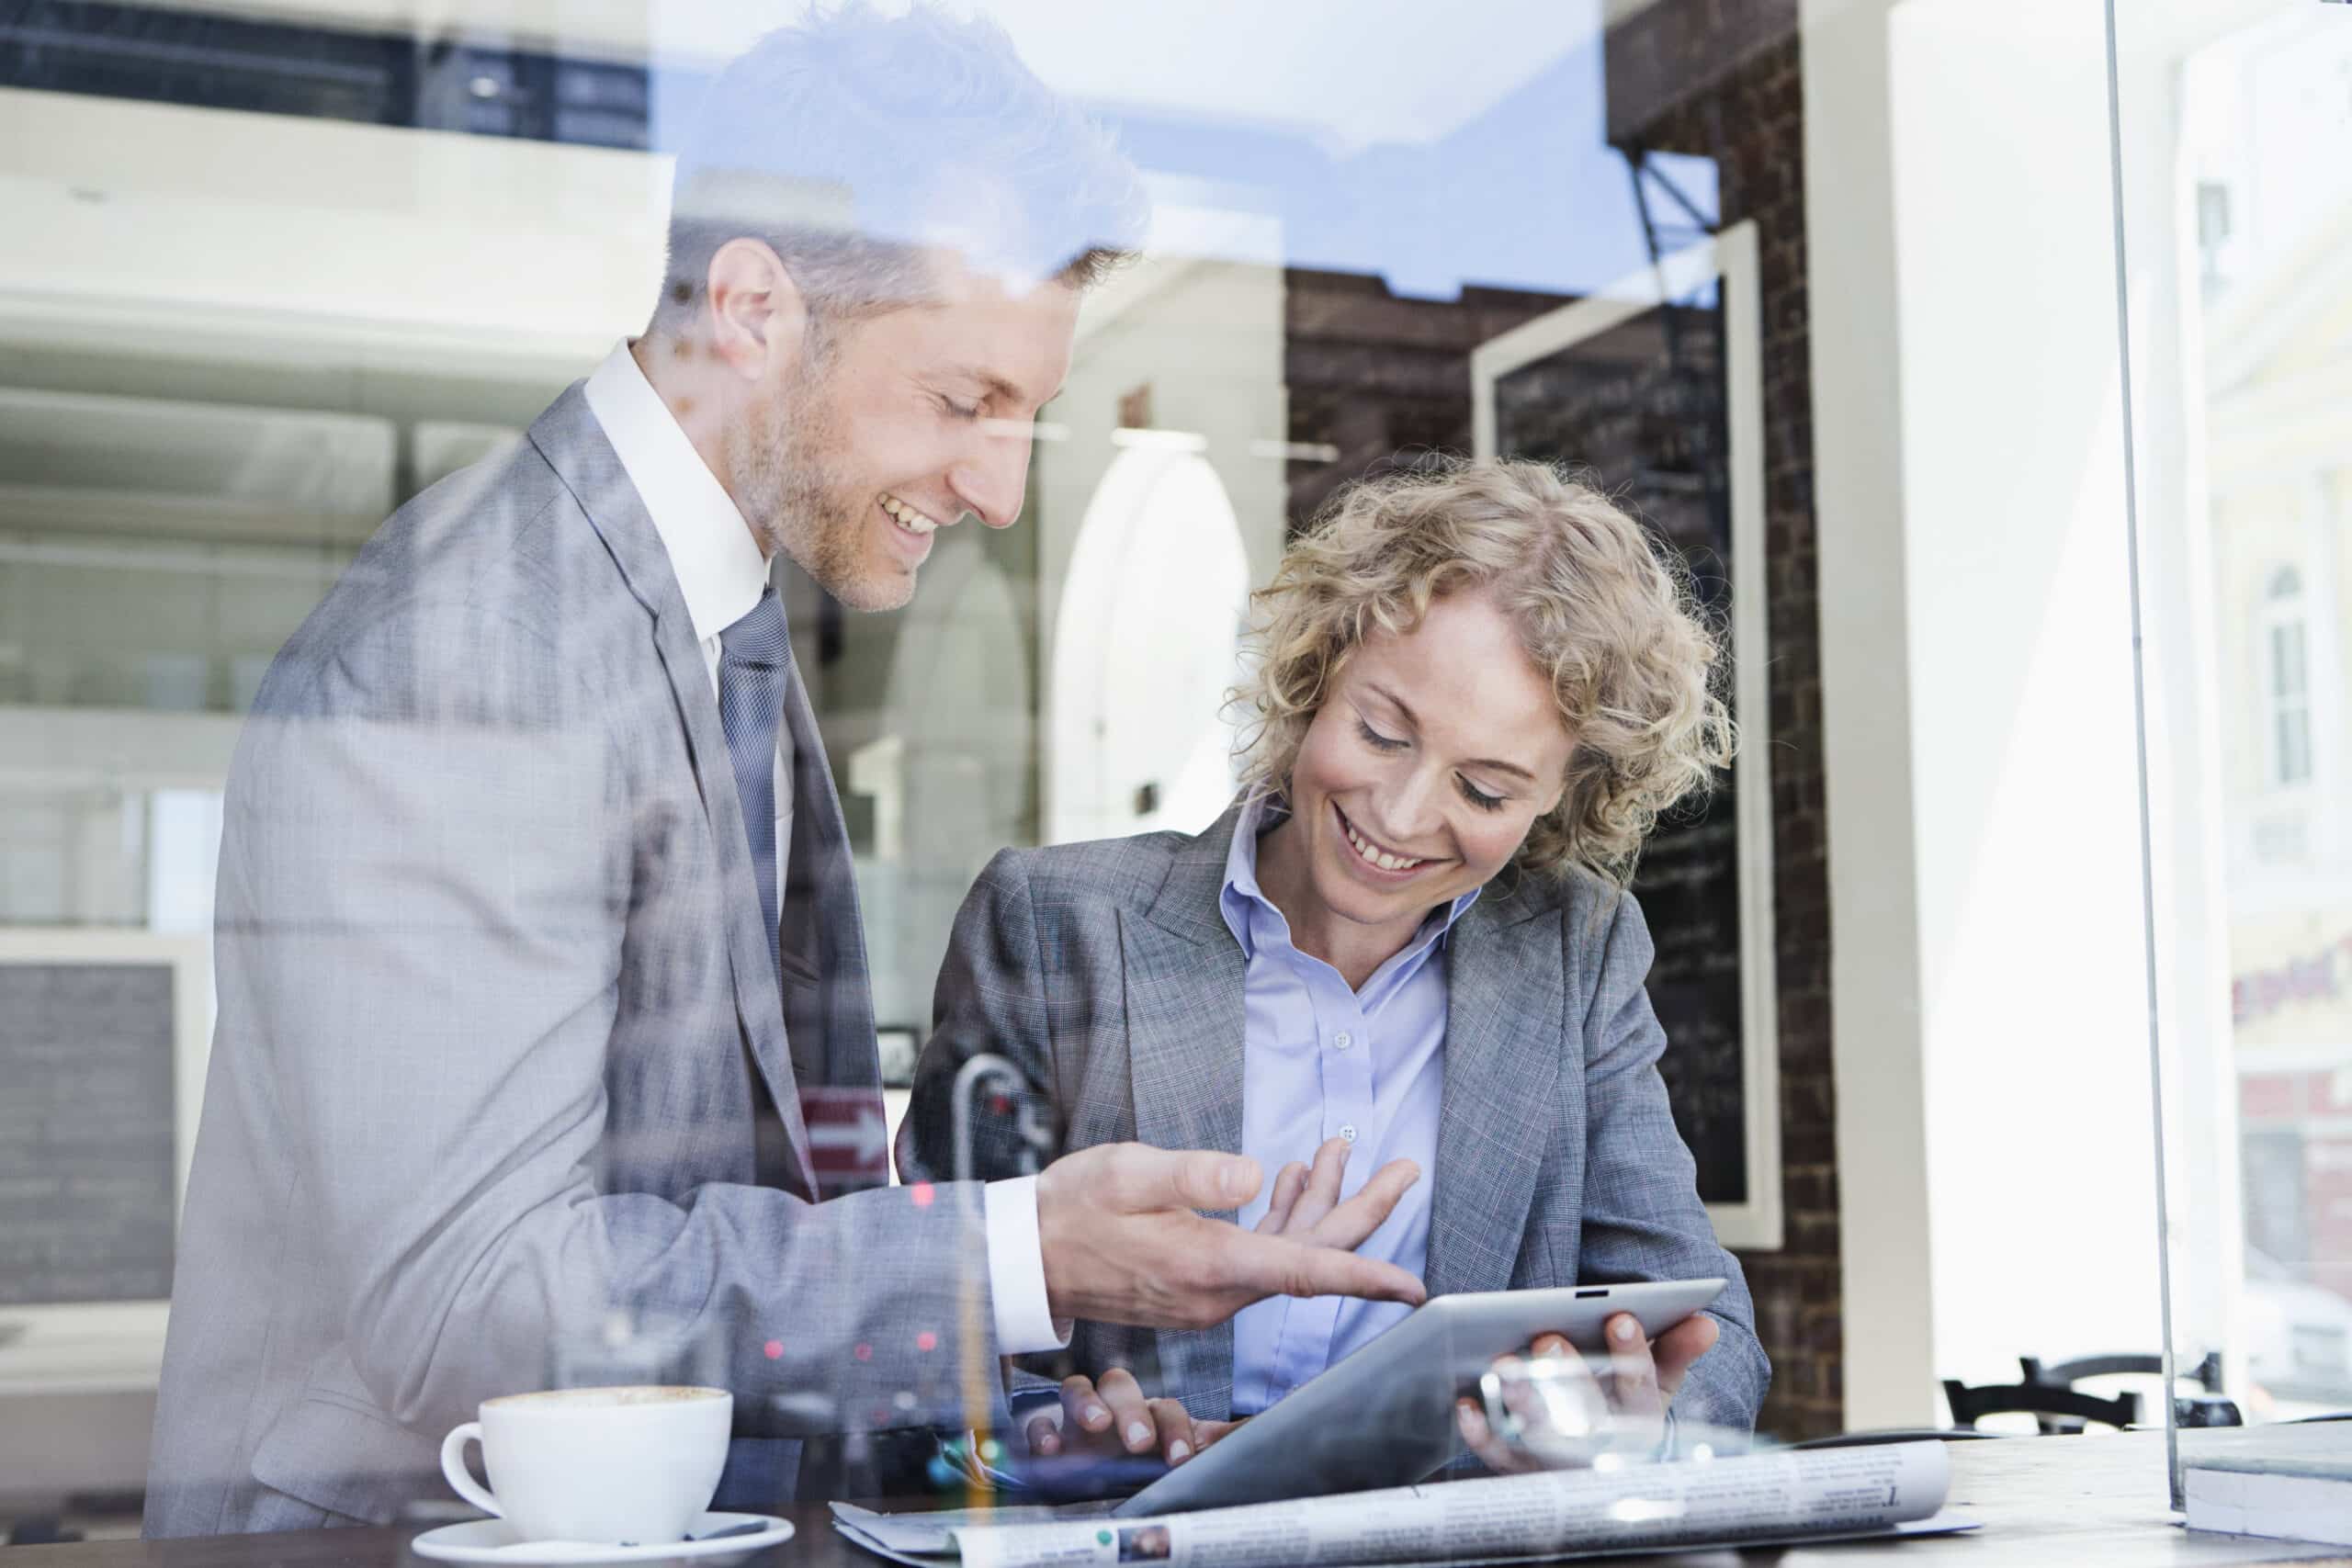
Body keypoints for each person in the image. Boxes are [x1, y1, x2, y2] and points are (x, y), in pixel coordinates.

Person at [143, 8, 1426, 1537]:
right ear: (750, 308)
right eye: (964, 402)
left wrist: (1009, 1421)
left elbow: (748, 1214)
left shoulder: (726, 620)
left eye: (1026, 415)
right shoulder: (474, 646)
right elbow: (471, 1302)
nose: (1001, 491)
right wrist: (1013, 1256)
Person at [899, 457, 1770, 1473]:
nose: (1399, 819)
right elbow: (918, 1320)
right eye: (1381, 732)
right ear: (1317, 675)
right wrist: (1055, 1434)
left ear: (1563, 801)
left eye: (1485, 792)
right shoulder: (1054, 926)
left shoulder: (1574, 951)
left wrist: (1628, 1425)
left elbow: (1716, 1343)